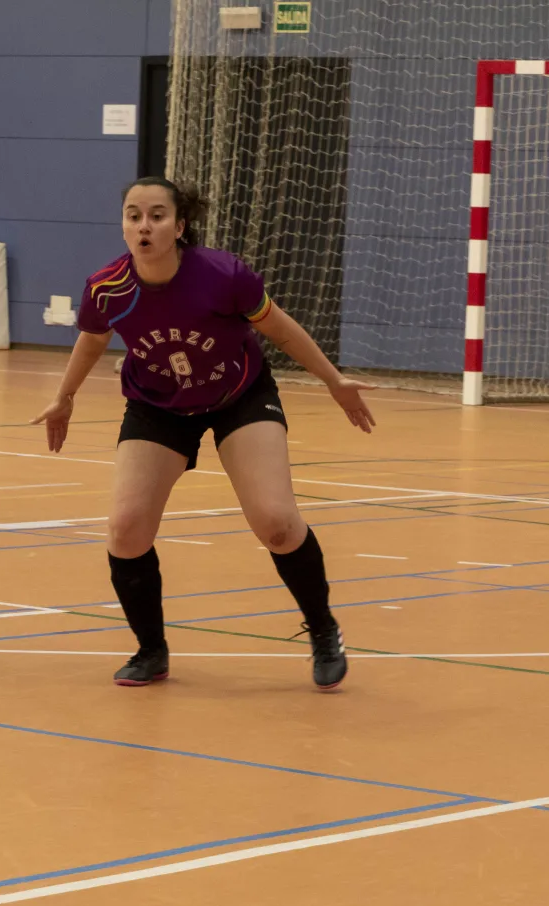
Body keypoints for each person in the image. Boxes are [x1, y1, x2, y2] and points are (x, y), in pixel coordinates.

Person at [31, 176, 376, 689]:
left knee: (277, 522)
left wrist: (334, 381)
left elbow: (280, 329)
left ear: (180, 226)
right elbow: (93, 339)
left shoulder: (222, 274)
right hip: (157, 406)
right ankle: (151, 650)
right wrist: (65, 396)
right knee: (126, 529)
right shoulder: (107, 287)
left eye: (157, 216)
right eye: (133, 215)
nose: (144, 226)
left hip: (238, 396)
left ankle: (323, 628)